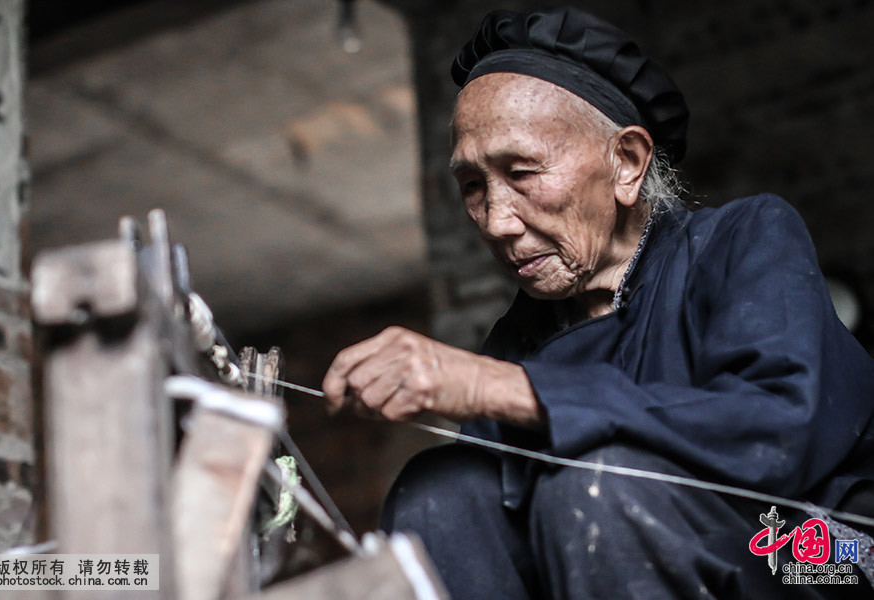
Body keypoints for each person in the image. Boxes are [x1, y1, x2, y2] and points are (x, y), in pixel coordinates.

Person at [322, 6, 874, 599]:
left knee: (600, 483)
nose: (496, 222)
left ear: (627, 163)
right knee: (437, 491)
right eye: (473, 186)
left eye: (523, 171)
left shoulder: (744, 239)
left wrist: (505, 389)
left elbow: (777, 431)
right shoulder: (519, 338)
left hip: (821, 553)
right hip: (617, 539)